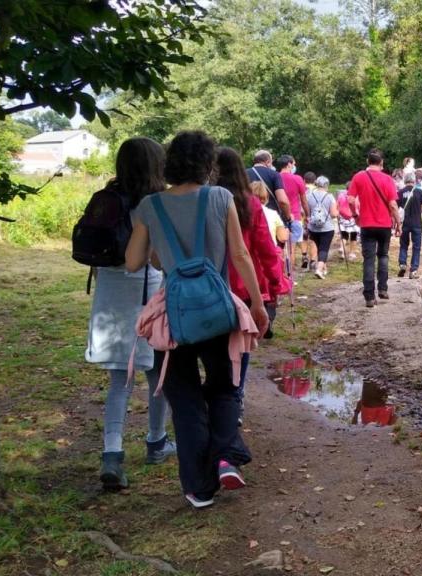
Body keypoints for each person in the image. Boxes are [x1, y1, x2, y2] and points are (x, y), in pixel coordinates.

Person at [126, 130, 269, 509]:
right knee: (224, 387)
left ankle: (198, 488)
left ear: (170, 163)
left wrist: (164, 251)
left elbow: (134, 262)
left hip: (173, 318)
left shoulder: (149, 205)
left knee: (184, 398)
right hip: (218, 312)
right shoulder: (220, 198)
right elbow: (239, 255)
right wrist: (256, 304)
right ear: (208, 165)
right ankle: (225, 456)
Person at [86, 137, 176, 491]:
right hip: (145, 291)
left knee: (118, 382)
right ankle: (156, 442)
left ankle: (112, 454)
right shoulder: (154, 204)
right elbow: (154, 258)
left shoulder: (105, 197)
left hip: (110, 291)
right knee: (158, 375)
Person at [215, 147, 286, 419]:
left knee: (216, 345)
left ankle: (221, 396)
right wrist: (275, 282)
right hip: (244, 284)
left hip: (213, 282)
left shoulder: (206, 200)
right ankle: (235, 397)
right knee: (241, 346)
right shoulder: (249, 203)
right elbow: (265, 248)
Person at [348, 148, 401, 307]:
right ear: (382, 163)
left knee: (369, 260)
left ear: (367, 162)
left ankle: (369, 297)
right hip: (384, 225)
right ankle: (383, 289)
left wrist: (355, 216)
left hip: (366, 224)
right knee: (383, 256)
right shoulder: (388, 180)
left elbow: (350, 200)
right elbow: (392, 204)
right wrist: (398, 222)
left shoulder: (358, 177)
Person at [275, 155, 309, 269]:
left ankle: (280, 275)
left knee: (278, 248)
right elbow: (304, 200)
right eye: (293, 163)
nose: (294, 166)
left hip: (277, 216)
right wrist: (307, 215)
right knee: (291, 248)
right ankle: (289, 276)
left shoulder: (274, 177)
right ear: (289, 164)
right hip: (294, 215)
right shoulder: (297, 179)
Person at [247, 150, 291, 231]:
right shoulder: (274, 174)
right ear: (267, 162)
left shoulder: (244, 174)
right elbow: (282, 201)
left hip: (249, 217)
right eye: (271, 163)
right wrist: (288, 217)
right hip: (271, 219)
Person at [305, 175, 339, 279]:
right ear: (327, 185)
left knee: (320, 247)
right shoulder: (329, 196)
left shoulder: (309, 195)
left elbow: (306, 211)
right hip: (327, 227)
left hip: (313, 227)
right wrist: (338, 212)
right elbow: (333, 214)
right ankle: (319, 269)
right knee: (324, 249)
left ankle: (324, 268)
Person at [398, 172, 422, 279]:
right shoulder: (419, 192)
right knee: (416, 247)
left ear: (404, 180)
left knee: (403, 244)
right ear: (414, 180)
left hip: (404, 224)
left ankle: (402, 263)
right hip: (417, 223)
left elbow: (395, 208)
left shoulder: (400, 192)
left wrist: (396, 223)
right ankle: (413, 270)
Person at [252, 181, 289, 247]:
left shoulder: (242, 213)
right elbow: (282, 238)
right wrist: (287, 231)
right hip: (269, 251)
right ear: (266, 197)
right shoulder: (273, 214)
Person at [336, 183, 359, 262]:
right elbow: (358, 207)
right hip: (353, 217)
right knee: (354, 236)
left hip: (343, 217)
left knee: (344, 235)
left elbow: (337, 206)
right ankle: (352, 253)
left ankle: (342, 248)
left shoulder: (341, 195)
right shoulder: (356, 196)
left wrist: (338, 214)